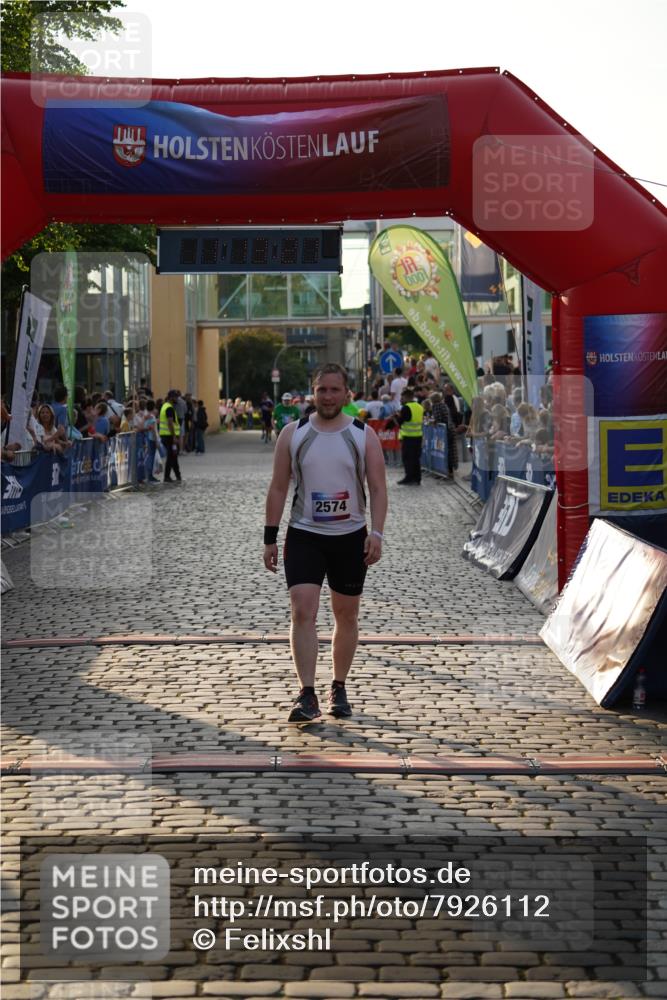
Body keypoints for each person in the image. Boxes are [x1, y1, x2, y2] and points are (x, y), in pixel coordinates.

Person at [263, 362, 388, 725]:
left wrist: (376, 533)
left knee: (346, 614)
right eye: (322, 390)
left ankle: (338, 684)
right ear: (312, 392)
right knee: (303, 609)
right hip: (305, 534)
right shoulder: (293, 433)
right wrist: (270, 538)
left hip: (350, 537)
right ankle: (306, 692)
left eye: (335, 390)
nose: (328, 397)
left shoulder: (363, 435)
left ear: (346, 394)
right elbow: (278, 487)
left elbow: (379, 489)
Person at [391, 386, 424, 485]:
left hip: (408, 437)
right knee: (416, 458)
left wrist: (394, 417)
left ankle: (409, 477)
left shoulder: (406, 408)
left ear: (407, 397)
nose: (401, 400)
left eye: (402, 398)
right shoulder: (419, 406)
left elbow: (400, 423)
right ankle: (417, 478)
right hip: (418, 436)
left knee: (407, 458)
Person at [159, 389, 182, 483]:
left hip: (166, 435)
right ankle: (167, 476)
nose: (177, 399)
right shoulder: (169, 408)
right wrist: (174, 437)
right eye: (175, 397)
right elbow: (170, 423)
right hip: (169, 436)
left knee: (173, 456)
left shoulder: (165, 406)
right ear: (171, 397)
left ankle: (178, 475)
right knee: (171, 456)